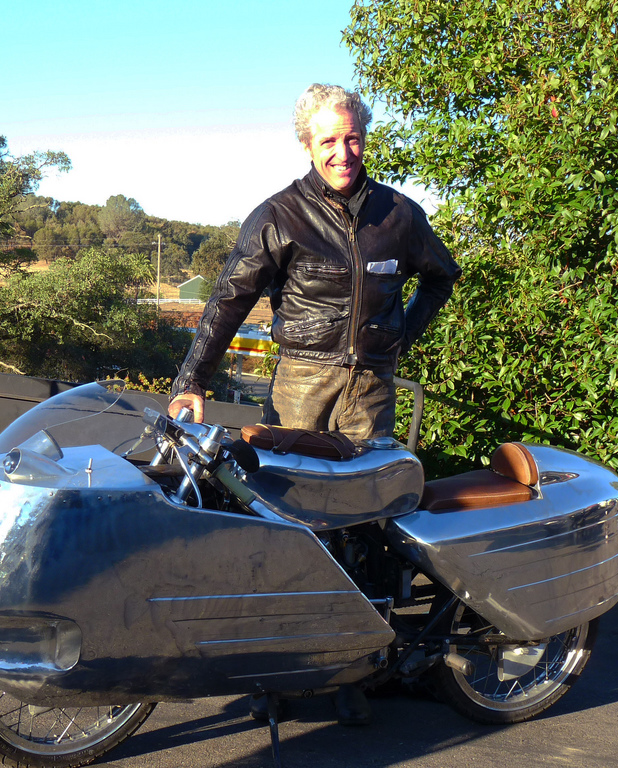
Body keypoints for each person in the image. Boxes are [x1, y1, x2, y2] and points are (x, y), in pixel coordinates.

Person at [168, 83, 461, 725]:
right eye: (328, 140)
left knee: (364, 528)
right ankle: (277, 677)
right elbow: (228, 301)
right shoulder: (279, 215)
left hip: (371, 392)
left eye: (352, 137)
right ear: (307, 143)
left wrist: (399, 338)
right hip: (300, 385)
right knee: (287, 528)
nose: (342, 152)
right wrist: (193, 380)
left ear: (365, 137)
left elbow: (441, 277)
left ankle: (355, 670)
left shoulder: (399, 215)